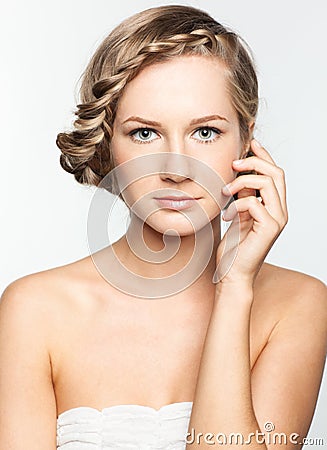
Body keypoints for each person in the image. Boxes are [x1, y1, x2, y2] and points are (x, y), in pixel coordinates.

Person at [0, 4, 326, 449]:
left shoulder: (299, 305)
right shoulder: (33, 310)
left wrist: (234, 289)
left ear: (247, 140)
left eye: (206, 132)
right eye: (144, 133)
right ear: (107, 142)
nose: (176, 168)